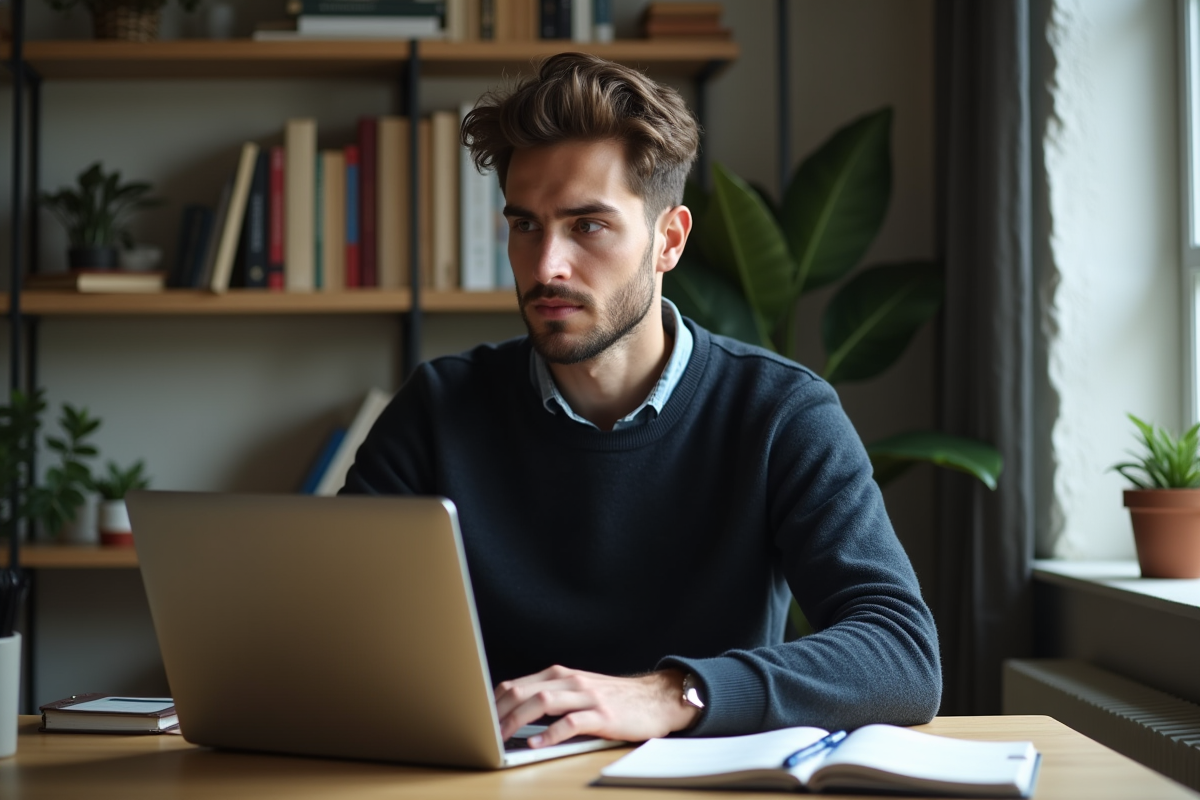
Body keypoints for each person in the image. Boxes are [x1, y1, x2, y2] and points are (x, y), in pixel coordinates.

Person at [341, 52, 940, 749]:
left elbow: (901, 654)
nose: (546, 266)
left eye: (587, 225)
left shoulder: (780, 412)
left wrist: (669, 694)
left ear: (669, 241)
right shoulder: (436, 410)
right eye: (526, 225)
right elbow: (330, 624)